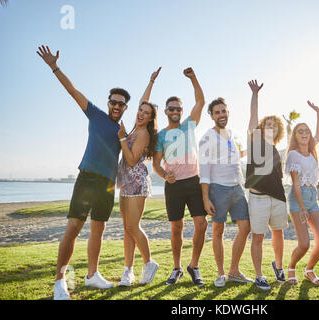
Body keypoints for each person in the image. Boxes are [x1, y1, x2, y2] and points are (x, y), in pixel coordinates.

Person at [37, 45, 129, 300]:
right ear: (108, 102)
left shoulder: (124, 133)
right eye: (114, 102)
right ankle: (59, 282)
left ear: (125, 108)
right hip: (87, 178)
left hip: (108, 185)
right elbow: (72, 91)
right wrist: (55, 67)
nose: (117, 106)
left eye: (121, 104)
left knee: (98, 229)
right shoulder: (95, 114)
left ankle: (92, 275)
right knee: (74, 227)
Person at [152, 67, 208, 288]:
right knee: (176, 228)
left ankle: (193, 266)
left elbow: (201, 101)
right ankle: (177, 268)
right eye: (172, 108)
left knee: (201, 225)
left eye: (179, 108)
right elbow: (156, 164)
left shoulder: (189, 125)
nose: (176, 111)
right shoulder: (161, 135)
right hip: (173, 187)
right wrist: (165, 175)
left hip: (194, 181)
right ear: (166, 111)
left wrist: (193, 78)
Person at [199, 98, 252, 288]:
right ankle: (221, 273)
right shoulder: (207, 137)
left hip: (237, 188)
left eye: (224, 111)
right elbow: (204, 169)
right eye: (217, 112)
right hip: (218, 188)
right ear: (212, 116)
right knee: (218, 231)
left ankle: (234, 271)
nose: (221, 115)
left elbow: (233, 156)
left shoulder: (230, 134)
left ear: (228, 112)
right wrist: (205, 197)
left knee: (245, 228)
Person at [117, 68, 162, 287]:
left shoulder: (143, 133)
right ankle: (128, 271)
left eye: (146, 112)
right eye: (140, 110)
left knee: (133, 227)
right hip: (125, 183)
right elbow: (144, 101)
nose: (141, 113)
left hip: (136, 184)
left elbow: (133, 160)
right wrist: (151, 80)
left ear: (151, 118)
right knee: (127, 228)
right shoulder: (136, 127)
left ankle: (149, 262)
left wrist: (122, 139)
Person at [245, 80, 288, 291]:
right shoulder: (254, 140)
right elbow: (253, 117)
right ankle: (259, 275)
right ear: (262, 127)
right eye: (267, 124)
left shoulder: (277, 149)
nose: (271, 127)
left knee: (278, 232)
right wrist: (255, 95)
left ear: (278, 130)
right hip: (258, 198)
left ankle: (278, 267)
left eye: (275, 125)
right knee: (258, 237)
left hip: (278, 197)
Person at [285, 101, 319, 286]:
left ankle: (309, 269)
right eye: (300, 131)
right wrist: (302, 208)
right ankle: (291, 267)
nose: (304, 134)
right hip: (298, 198)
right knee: (304, 244)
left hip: (312, 197)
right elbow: (295, 184)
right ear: (295, 136)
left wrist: (318, 112)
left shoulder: (311, 152)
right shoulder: (293, 154)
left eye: (306, 131)